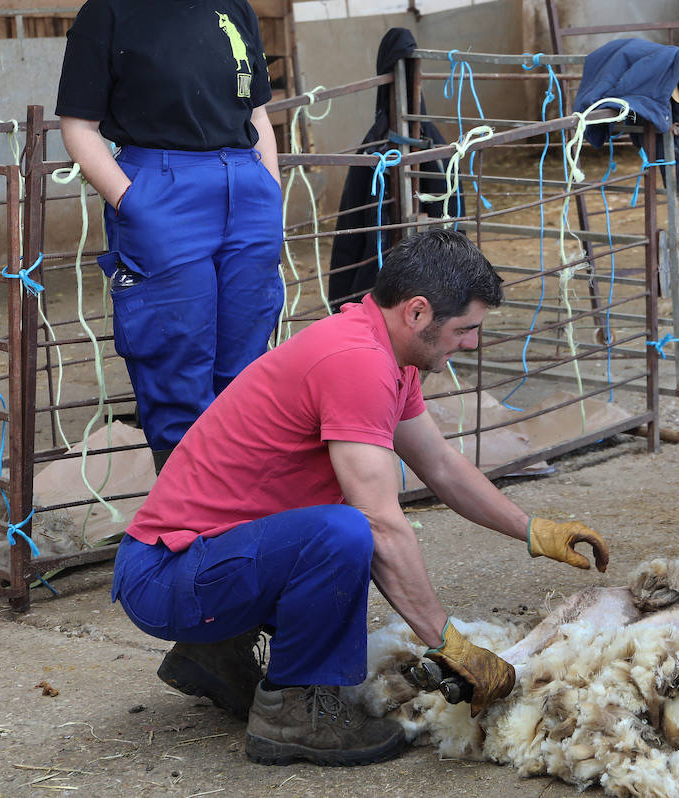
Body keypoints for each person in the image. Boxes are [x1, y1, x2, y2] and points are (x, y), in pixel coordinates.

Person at [111, 229, 610, 767]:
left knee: (334, 528)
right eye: (466, 329)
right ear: (418, 312)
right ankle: (290, 717)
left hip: (199, 561)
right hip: (166, 575)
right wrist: (448, 643)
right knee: (348, 530)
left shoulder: (386, 354)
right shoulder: (357, 362)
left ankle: (216, 653)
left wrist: (532, 530)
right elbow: (380, 522)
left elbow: (441, 465)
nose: (472, 343)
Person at [55, 0, 283, 472]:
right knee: (175, 354)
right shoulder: (109, 15)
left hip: (245, 188)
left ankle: (244, 510)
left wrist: (270, 184)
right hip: (162, 189)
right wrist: (134, 202)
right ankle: (184, 525)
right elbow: (78, 127)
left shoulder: (233, 9)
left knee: (246, 357)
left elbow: (256, 111)